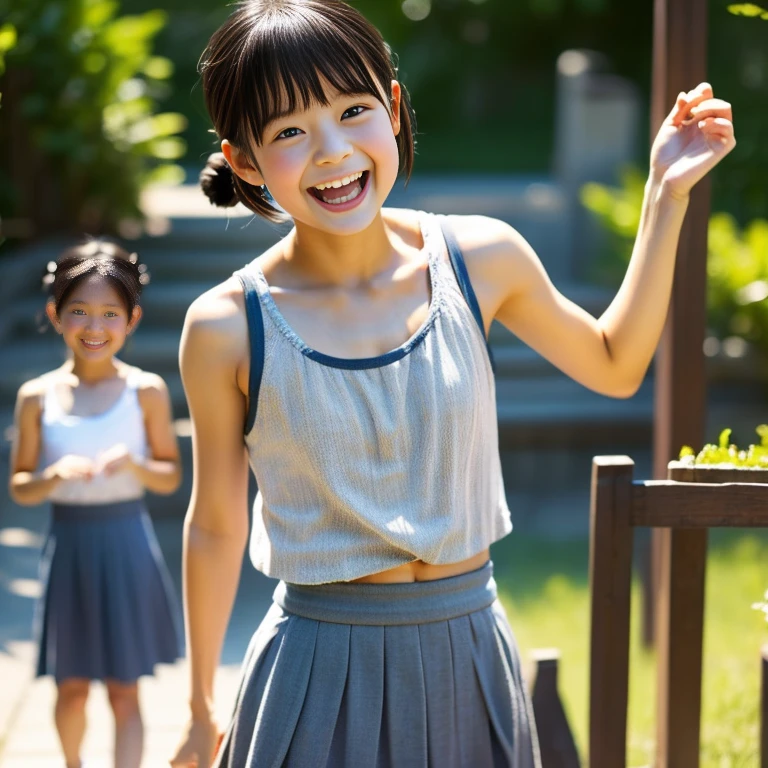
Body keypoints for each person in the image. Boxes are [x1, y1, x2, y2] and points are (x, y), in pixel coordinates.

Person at [169, 1, 736, 766]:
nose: (333, 152)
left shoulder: (481, 257)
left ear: (394, 107)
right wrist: (203, 706)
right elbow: (214, 525)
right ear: (245, 161)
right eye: (291, 132)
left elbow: (614, 362)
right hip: (314, 671)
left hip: (468, 652)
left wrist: (665, 195)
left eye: (353, 110)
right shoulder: (225, 325)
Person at [9, 240, 183, 768]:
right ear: (55, 315)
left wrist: (133, 465)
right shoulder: (37, 397)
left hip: (127, 545)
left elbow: (170, 475)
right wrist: (52, 477)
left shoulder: (146, 390)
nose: (94, 326)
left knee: (125, 689)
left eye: (110, 313)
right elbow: (20, 485)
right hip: (70, 547)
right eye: (79, 311)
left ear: (132, 319)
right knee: (71, 688)